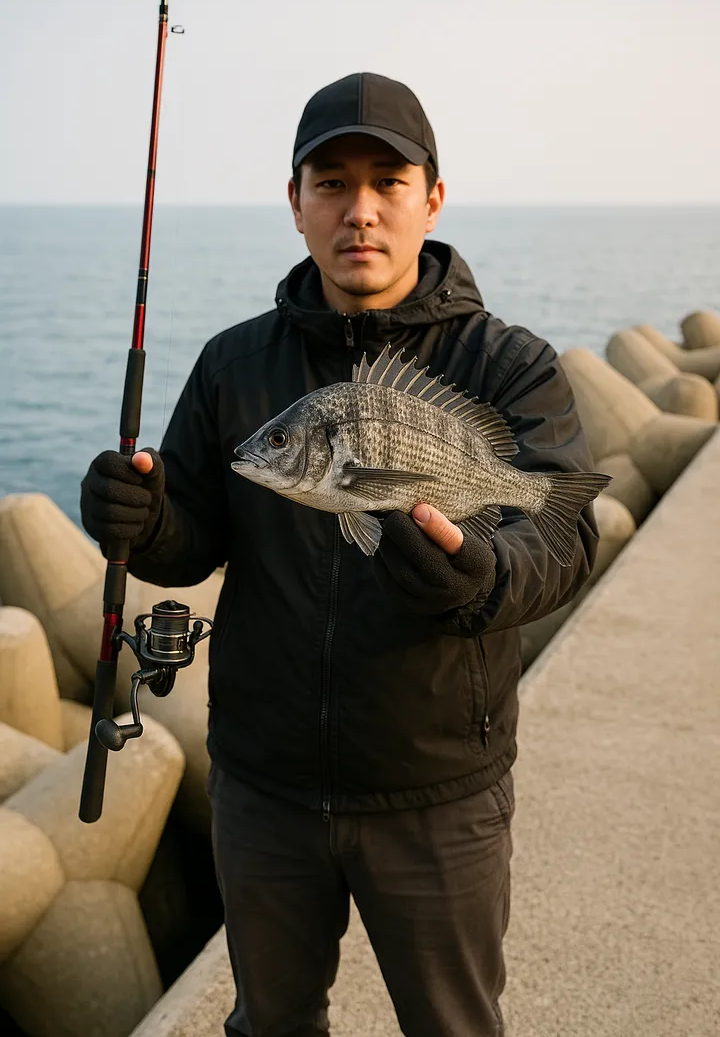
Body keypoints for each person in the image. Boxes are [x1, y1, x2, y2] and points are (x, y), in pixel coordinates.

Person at [81, 72, 599, 1036]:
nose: (359, 210)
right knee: (269, 1023)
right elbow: (191, 539)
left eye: (387, 182)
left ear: (431, 199)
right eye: (331, 183)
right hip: (263, 788)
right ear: (296, 202)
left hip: (439, 792)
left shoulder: (509, 364)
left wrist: (480, 576)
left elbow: (561, 539)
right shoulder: (233, 365)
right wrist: (139, 518)